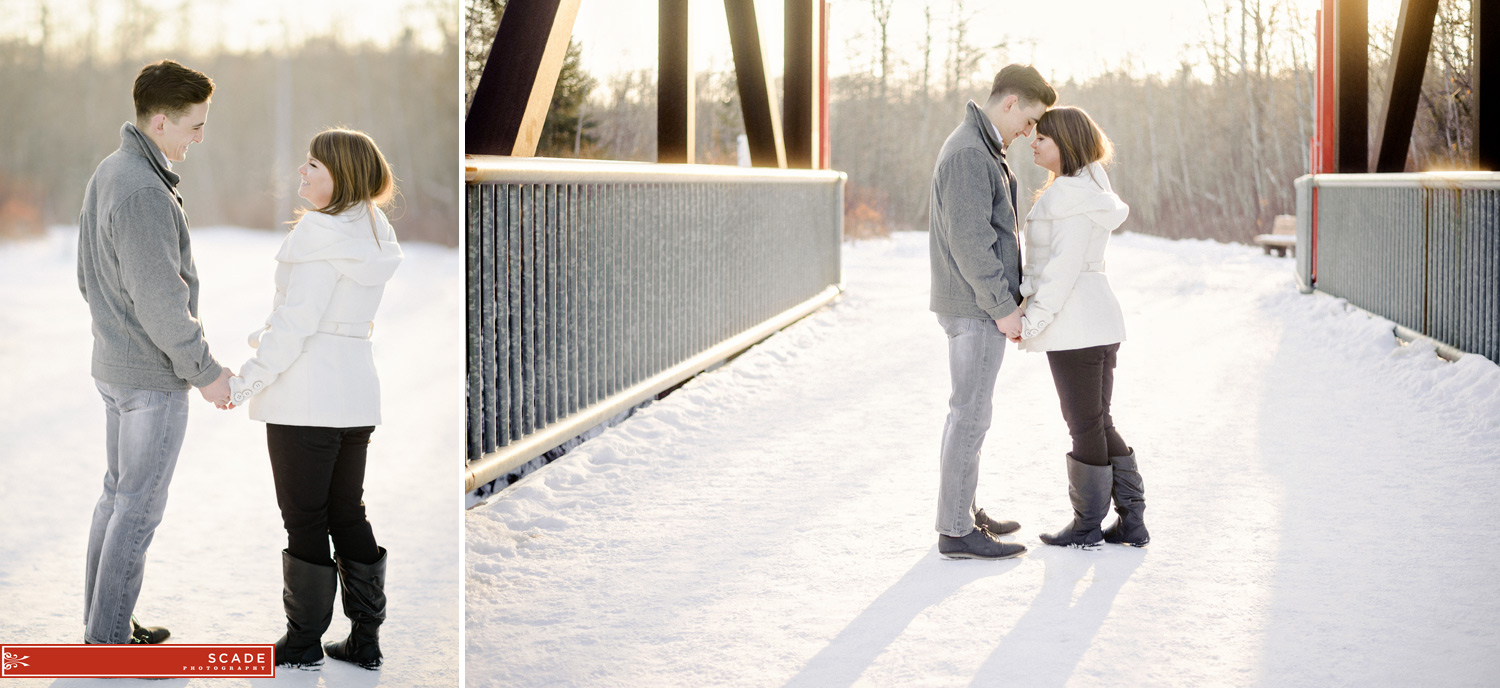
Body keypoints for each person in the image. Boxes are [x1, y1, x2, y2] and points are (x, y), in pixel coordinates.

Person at [225, 129, 403, 669]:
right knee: (347, 511)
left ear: (341, 176)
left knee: (304, 518)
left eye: (313, 167)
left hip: (305, 398)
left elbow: (296, 327)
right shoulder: (373, 231)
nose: (301, 174)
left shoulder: (321, 236)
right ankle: (365, 639)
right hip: (353, 392)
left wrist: (246, 381)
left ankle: (303, 640)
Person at [77, 59, 230, 645]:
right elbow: (164, 303)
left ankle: (104, 626)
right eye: (194, 125)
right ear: (161, 121)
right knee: (135, 509)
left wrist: (114, 338)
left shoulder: (112, 171)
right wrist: (206, 372)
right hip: (149, 379)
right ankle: (108, 642)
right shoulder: (142, 190)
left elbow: (89, 279)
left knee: (117, 500)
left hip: (117, 370)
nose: (199, 136)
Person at [929, 64, 1056, 560]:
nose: (1030, 131)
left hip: (975, 304)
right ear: (1010, 104)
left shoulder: (980, 147)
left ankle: (961, 510)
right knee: (970, 415)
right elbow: (971, 242)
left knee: (968, 413)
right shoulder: (967, 153)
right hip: (976, 306)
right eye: (1029, 119)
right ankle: (956, 529)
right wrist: (1003, 308)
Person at [1015, 106, 1148, 549]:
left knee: (1084, 425)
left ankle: (1087, 526)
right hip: (1096, 320)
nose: (1033, 143)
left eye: (1043, 139)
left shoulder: (1069, 197)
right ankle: (1131, 521)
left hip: (1076, 324)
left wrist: (1032, 319)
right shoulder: (1089, 188)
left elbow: (1062, 269)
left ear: (1065, 145)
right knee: (1097, 421)